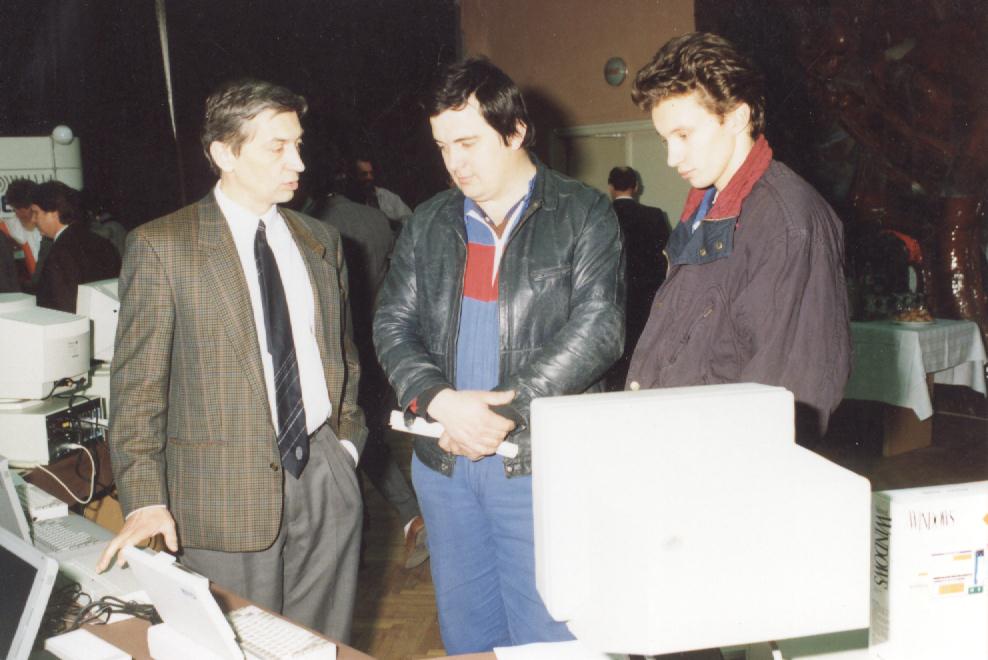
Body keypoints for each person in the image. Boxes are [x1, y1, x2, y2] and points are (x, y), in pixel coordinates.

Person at [98, 79, 366, 642]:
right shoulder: (163, 246)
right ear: (224, 153)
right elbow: (138, 390)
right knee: (237, 646)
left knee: (320, 647)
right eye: (278, 147)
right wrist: (145, 499)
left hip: (324, 476)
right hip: (220, 495)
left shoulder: (321, 241)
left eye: (298, 144)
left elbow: (342, 357)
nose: (298, 162)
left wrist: (345, 447)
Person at [373, 57, 624, 653]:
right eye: (443, 147)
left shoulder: (583, 213)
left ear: (515, 132)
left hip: (539, 461)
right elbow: (392, 323)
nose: (454, 163)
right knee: (468, 636)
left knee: (552, 637)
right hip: (445, 464)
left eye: (468, 143)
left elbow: (600, 328)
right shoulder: (428, 222)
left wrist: (501, 413)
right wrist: (437, 400)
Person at [627, 32, 851, 441]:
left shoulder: (788, 221)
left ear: (736, 117)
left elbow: (789, 392)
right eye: (665, 140)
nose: (672, 158)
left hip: (720, 460)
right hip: (673, 444)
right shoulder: (706, 207)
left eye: (684, 135)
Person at [315, 162, 429, 569]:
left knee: (350, 438)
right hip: (382, 342)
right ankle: (412, 515)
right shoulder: (376, 219)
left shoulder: (311, 226)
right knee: (373, 432)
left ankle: (368, 530)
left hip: (336, 349)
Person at [605, 165, 669, 390]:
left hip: (612, 300)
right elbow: (665, 260)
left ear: (610, 187)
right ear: (636, 187)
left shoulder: (601, 216)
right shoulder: (655, 216)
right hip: (646, 300)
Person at [29, 181, 120, 313]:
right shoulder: (101, 242)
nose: (33, 220)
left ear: (54, 212)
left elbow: (64, 309)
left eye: (36, 212)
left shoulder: (59, 253)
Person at [2, 178, 48, 291]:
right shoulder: (6, 229)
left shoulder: (50, 227)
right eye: (17, 209)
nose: (19, 213)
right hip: (23, 291)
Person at [352, 154, 413, 226]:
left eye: (371, 173)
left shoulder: (388, 197)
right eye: (364, 174)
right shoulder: (353, 202)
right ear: (356, 176)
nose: (369, 177)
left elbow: (410, 220)